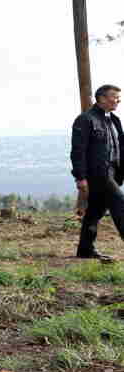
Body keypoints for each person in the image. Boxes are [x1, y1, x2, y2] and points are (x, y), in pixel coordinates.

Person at [71, 84, 124, 261]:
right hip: (97, 174)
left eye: (118, 97)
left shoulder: (115, 120)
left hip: (113, 172)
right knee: (120, 204)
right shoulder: (85, 120)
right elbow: (77, 151)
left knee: (95, 211)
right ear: (101, 98)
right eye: (114, 97)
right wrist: (80, 177)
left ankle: (85, 250)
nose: (118, 100)